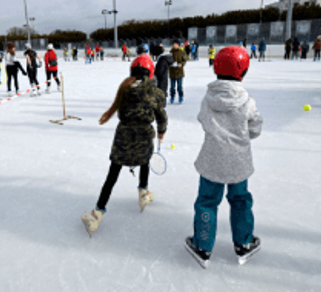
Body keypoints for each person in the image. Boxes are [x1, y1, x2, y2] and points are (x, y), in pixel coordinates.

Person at [185, 46, 263, 268]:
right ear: (243, 71)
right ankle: (243, 243)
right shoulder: (247, 101)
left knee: (207, 202)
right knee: (240, 201)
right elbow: (255, 128)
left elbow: (202, 119)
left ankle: (203, 246)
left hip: (212, 159)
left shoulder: (208, 98)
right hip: (238, 161)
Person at [81, 56, 167, 237]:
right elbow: (161, 115)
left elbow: (121, 111)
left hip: (123, 138)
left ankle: (97, 213)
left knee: (112, 176)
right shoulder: (156, 92)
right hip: (144, 137)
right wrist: (161, 131)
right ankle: (143, 194)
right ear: (150, 73)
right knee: (144, 162)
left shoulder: (124, 88)